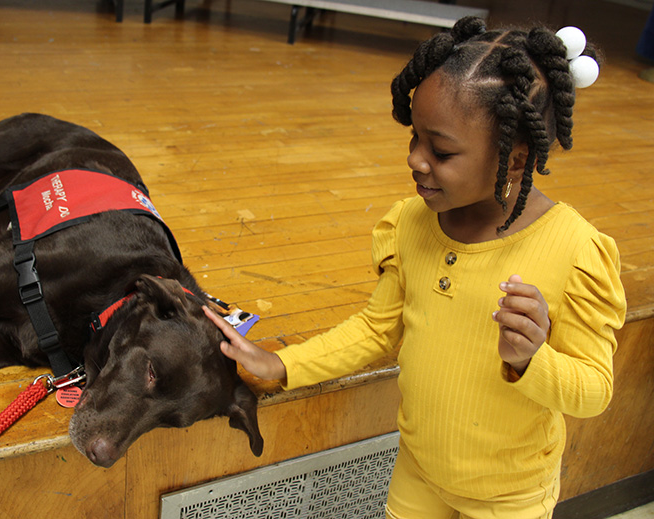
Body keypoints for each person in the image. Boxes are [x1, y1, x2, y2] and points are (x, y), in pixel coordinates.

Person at [204, 16, 627, 519]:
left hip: (508, 500)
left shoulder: (575, 251)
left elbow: (594, 390)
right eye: (415, 139)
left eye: (442, 151)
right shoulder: (411, 223)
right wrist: (282, 364)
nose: (417, 161)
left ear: (514, 161)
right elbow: (375, 329)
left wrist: (534, 359)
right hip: (418, 474)